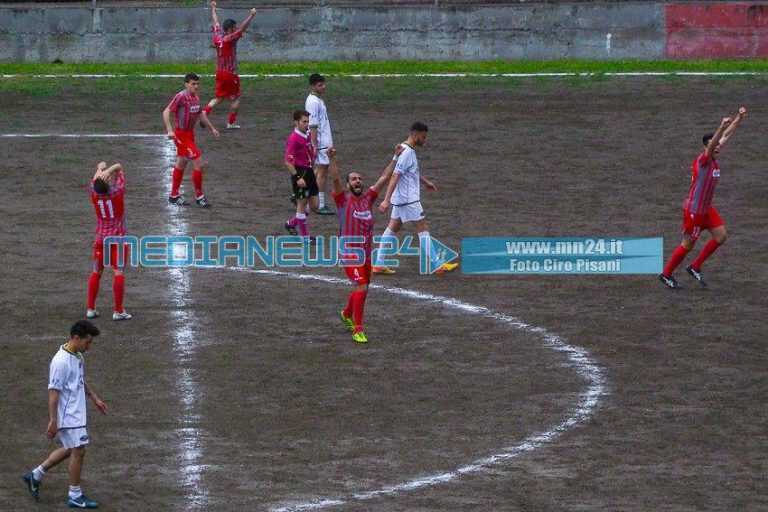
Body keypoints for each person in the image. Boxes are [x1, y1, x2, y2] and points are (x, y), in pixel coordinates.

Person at [22, 320, 108, 509]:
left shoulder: (77, 355)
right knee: (79, 450)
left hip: (76, 413)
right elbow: (53, 394)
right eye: (88, 342)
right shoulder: (60, 361)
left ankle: (35, 475)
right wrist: (53, 420)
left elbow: (79, 380)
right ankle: (75, 495)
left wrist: (95, 398)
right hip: (69, 416)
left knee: (70, 449)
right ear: (76, 338)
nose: (89, 346)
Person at [659, 107, 747, 289]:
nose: (718, 148)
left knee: (721, 236)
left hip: (707, 209)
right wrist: (720, 127)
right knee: (688, 244)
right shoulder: (703, 160)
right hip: (694, 212)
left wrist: (739, 118)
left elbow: (725, 137)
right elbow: (716, 141)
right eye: (713, 146)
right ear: (707, 147)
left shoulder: (713, 156)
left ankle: (695, 267)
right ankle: (666, 274)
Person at [329, 146, 403, 343]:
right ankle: (358, 328)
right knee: (361, 285)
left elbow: (384, 178)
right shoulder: (342, 200)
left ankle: (346, 313)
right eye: (353, 179)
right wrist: (332, 159)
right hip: (349, 253)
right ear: (347, 185)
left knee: (364, 287)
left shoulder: (368, 199)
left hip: (366, 254)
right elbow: (335, 179)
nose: (358, 181)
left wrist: (395, 156)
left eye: (360, 178)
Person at [372, 122, 459, 275]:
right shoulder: (406, 152)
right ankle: (438, 265)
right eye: (423, 137)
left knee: (393, 227)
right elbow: (394, 176)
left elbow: (411, 172)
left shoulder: (405, 150)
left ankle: (379, 263)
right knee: (422, 228)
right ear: (415, 134)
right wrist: (386, 200)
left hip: (401, 199)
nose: (425, 141)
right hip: (409, 200)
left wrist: (426, 182)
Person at [163, 72, 220, 208]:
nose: (196, 86)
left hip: (190, 135)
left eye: (197, 84)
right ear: (186, 84)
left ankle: (174, 196)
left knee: (181, 162)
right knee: (197, 161)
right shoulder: (181, 97)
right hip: (181, 135)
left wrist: (212, 128)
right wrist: (170, 130)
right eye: (193, 84)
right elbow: (166, 112)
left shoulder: (195, 98)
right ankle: (199, 197)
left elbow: (200, 114)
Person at [86, 161, 132, 321]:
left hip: (100, 239)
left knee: (96, 272)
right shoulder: (117, 191)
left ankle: (91, 308)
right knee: (118, 272)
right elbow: (120, 167)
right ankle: (118, 311)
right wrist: (110, 169)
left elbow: (95, 181)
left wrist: (99, 168)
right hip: (117, 239)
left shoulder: (93, 192)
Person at [203, 1, 257, 129]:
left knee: (219, 98)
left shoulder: (217, 36)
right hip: (230, 74)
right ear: (230, 29)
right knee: (236, 98)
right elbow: (242, 28)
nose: (236, 28)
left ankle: (205, 112)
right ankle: (231, 123)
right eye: (234, 27)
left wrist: (213, 9)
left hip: (220, 73)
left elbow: (215, 22)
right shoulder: (230, 38)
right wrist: (251, 15)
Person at [305, 73, 335, 215]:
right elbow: (313, 125)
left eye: (323, 84)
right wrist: (314, 144)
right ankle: (320, 204)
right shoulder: (313, 102)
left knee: (317, 171)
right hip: (321, 143)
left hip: (323, 141)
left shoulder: (317, 99)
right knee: (323, 172)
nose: (323, 87)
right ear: (312, 86)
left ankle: (302, 194)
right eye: (320, 85)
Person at [284, 110, 317, 238]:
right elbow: (287, 161)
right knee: (302, 205)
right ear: (296, 122)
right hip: (300, 174)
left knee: (314, 205)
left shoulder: (306, 134)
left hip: (309, 172)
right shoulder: (293, 139)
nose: (307, 124)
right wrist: (297, 178)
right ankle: (305, 237)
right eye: (304, 122)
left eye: (308, 121)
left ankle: (291, 223)